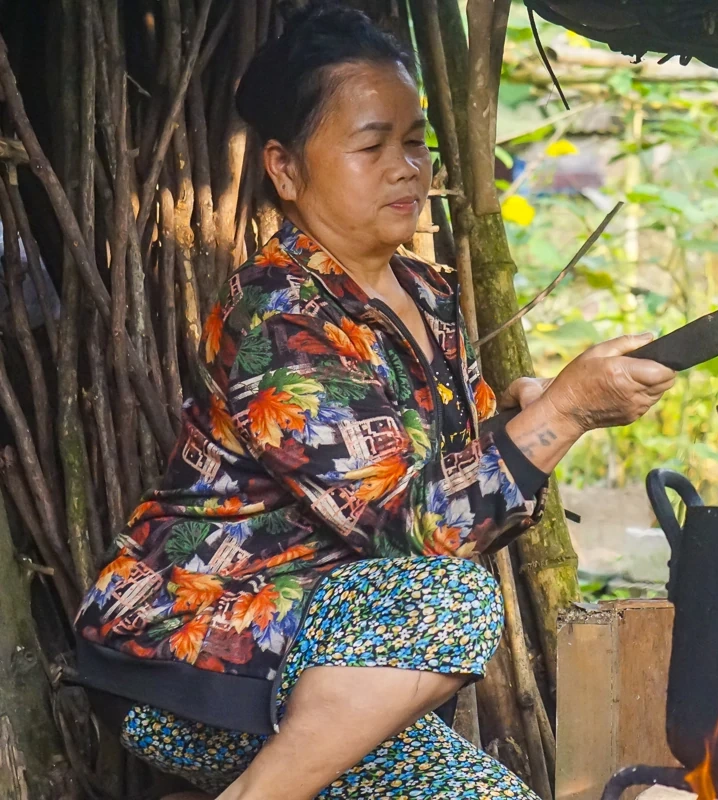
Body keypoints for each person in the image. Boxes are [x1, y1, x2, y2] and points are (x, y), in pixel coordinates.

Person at [71, 5, 675, 799]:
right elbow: (414, 531)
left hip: (319, 667)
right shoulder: (280, 315)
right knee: (453, 600)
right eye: (371, 145)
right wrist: (560, 414)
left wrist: (522, 417)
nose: (406, 167)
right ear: (286, 171)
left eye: (415, 142)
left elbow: (455, 485)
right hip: (187, 660)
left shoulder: (424, 295)